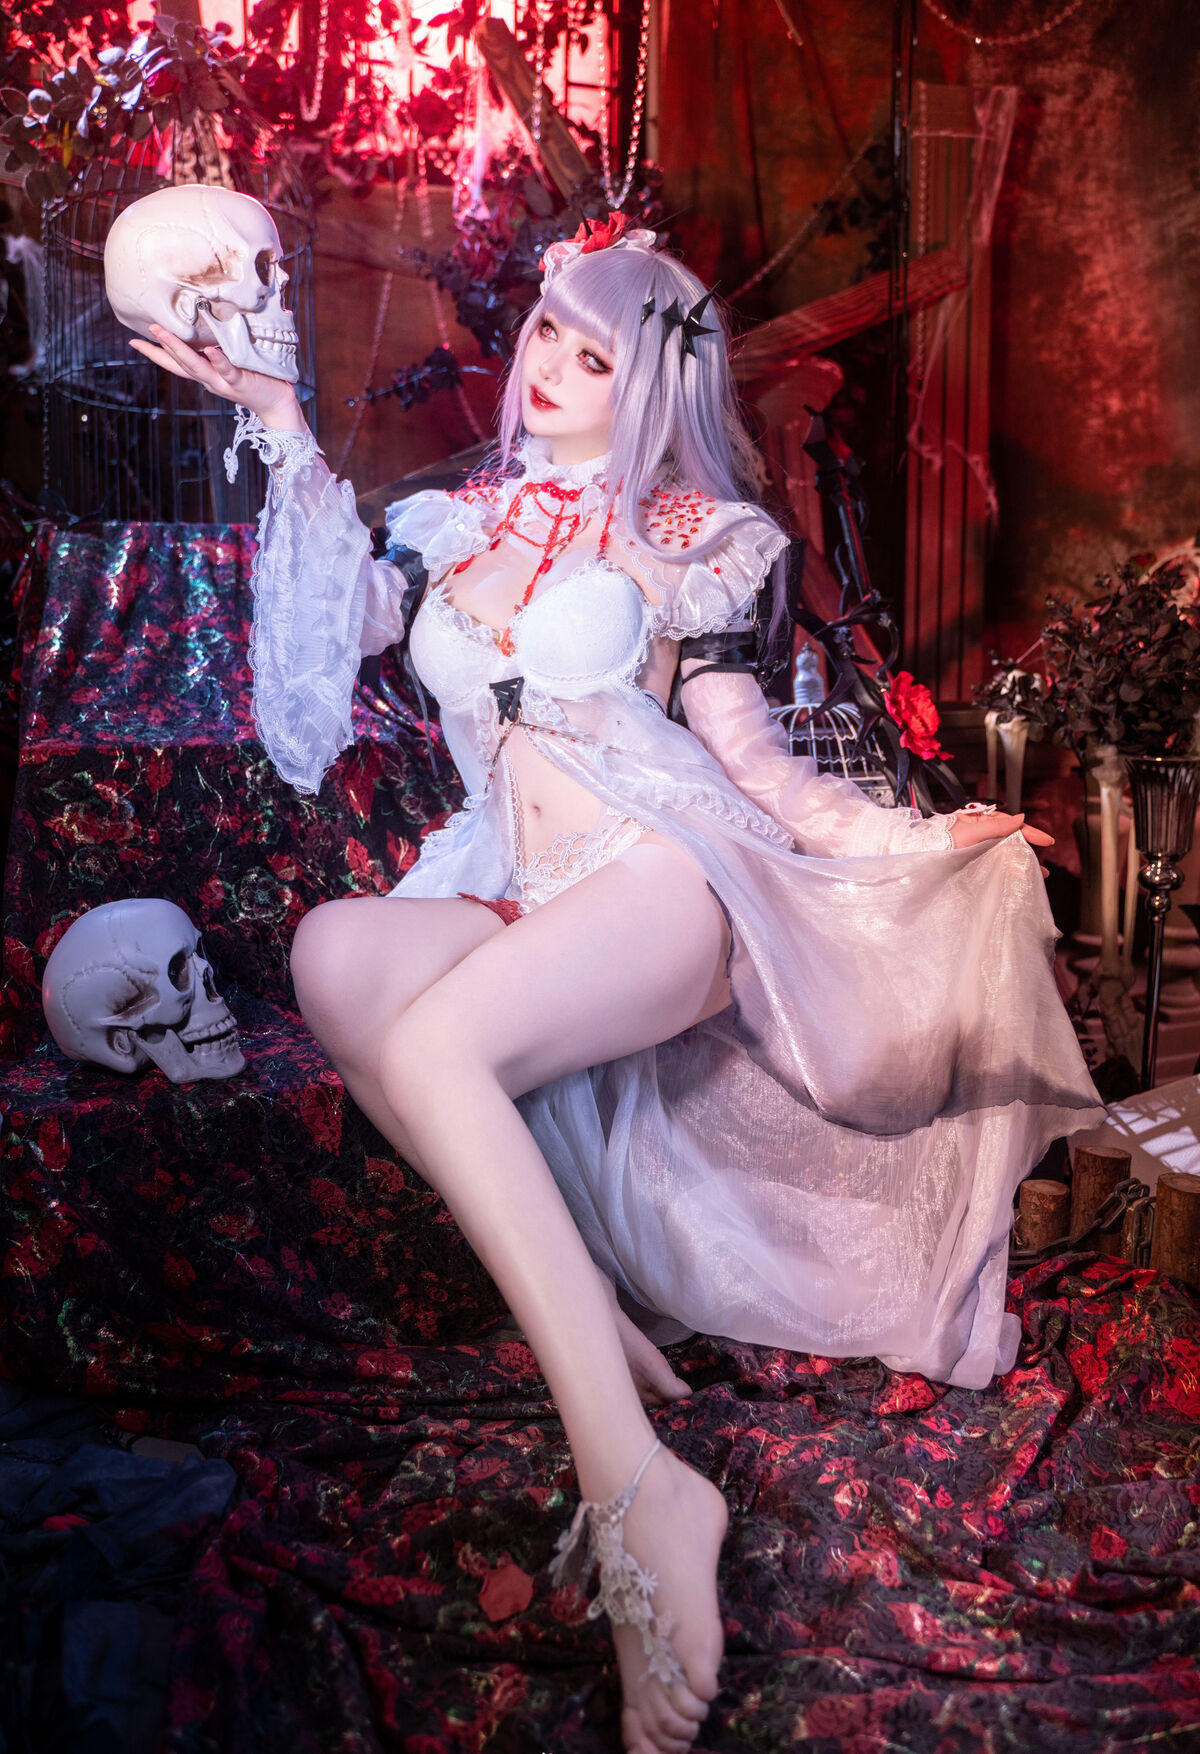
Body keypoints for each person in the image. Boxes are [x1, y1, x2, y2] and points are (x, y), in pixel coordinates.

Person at [131, 215, 1104, 1754]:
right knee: (334, 954)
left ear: (649, 382)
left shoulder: (694, 535)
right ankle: (586, 1303)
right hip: (507, 875)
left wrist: (915, 834)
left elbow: (756, 758)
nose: (555, 367)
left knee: (438, 1048)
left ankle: (637, 1483)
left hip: (667, 876)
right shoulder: (454, 522)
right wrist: (273, 416)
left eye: (598, 354)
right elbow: (337, 631)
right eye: (550, 335)